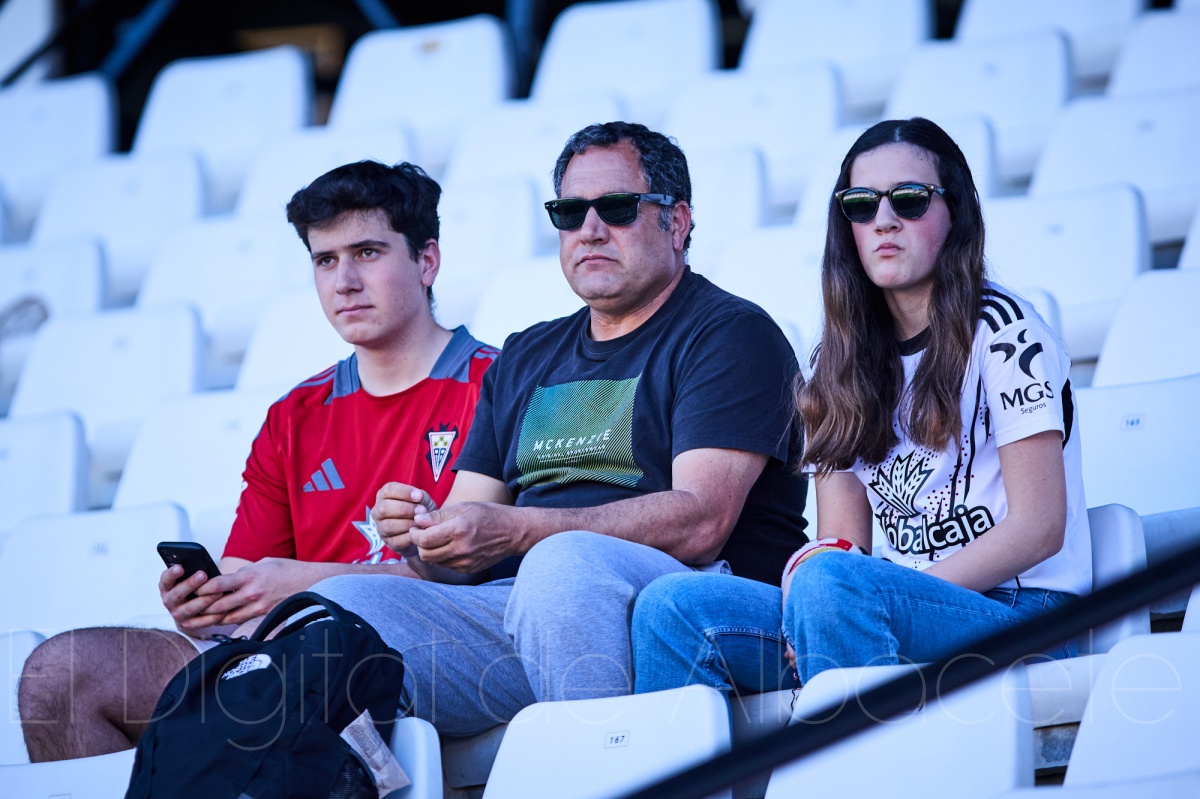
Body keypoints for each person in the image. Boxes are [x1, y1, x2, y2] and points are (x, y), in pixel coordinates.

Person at [307, 121, 808, 736]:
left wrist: (521, 531)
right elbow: (460, 552)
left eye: (616, 208)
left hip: (687, 601)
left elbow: (702, 523)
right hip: (527, 611)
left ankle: (607, 767)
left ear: (676, 222)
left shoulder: (730, 332)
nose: (589, 230)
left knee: (562, 564)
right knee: (345, 607)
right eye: (570, 214)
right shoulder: (526, 353)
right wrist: (424, 537)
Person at [19, 160, 498, 761]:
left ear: (426, 261)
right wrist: (208, 606)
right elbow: (247, 581)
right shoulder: (294, 415)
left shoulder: (500, 383)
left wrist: (305, 584)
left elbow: (488, 586)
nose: (345, 281)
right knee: (62, 675)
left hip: (414, 660)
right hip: (279, 662)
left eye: (367, 252)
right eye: (325, 260)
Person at [631, 117, 1091, 701]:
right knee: (671, 607)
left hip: (1024, 615)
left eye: (909, 199)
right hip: (881, 606)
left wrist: (860, 592)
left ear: (956, 213)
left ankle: (860, 755)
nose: (884, 220)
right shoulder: (836, 360)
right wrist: (830, 599)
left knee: (831, 584)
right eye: (861, 204)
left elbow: (1039, 528)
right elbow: (844, 541)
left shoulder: (1006, 333)